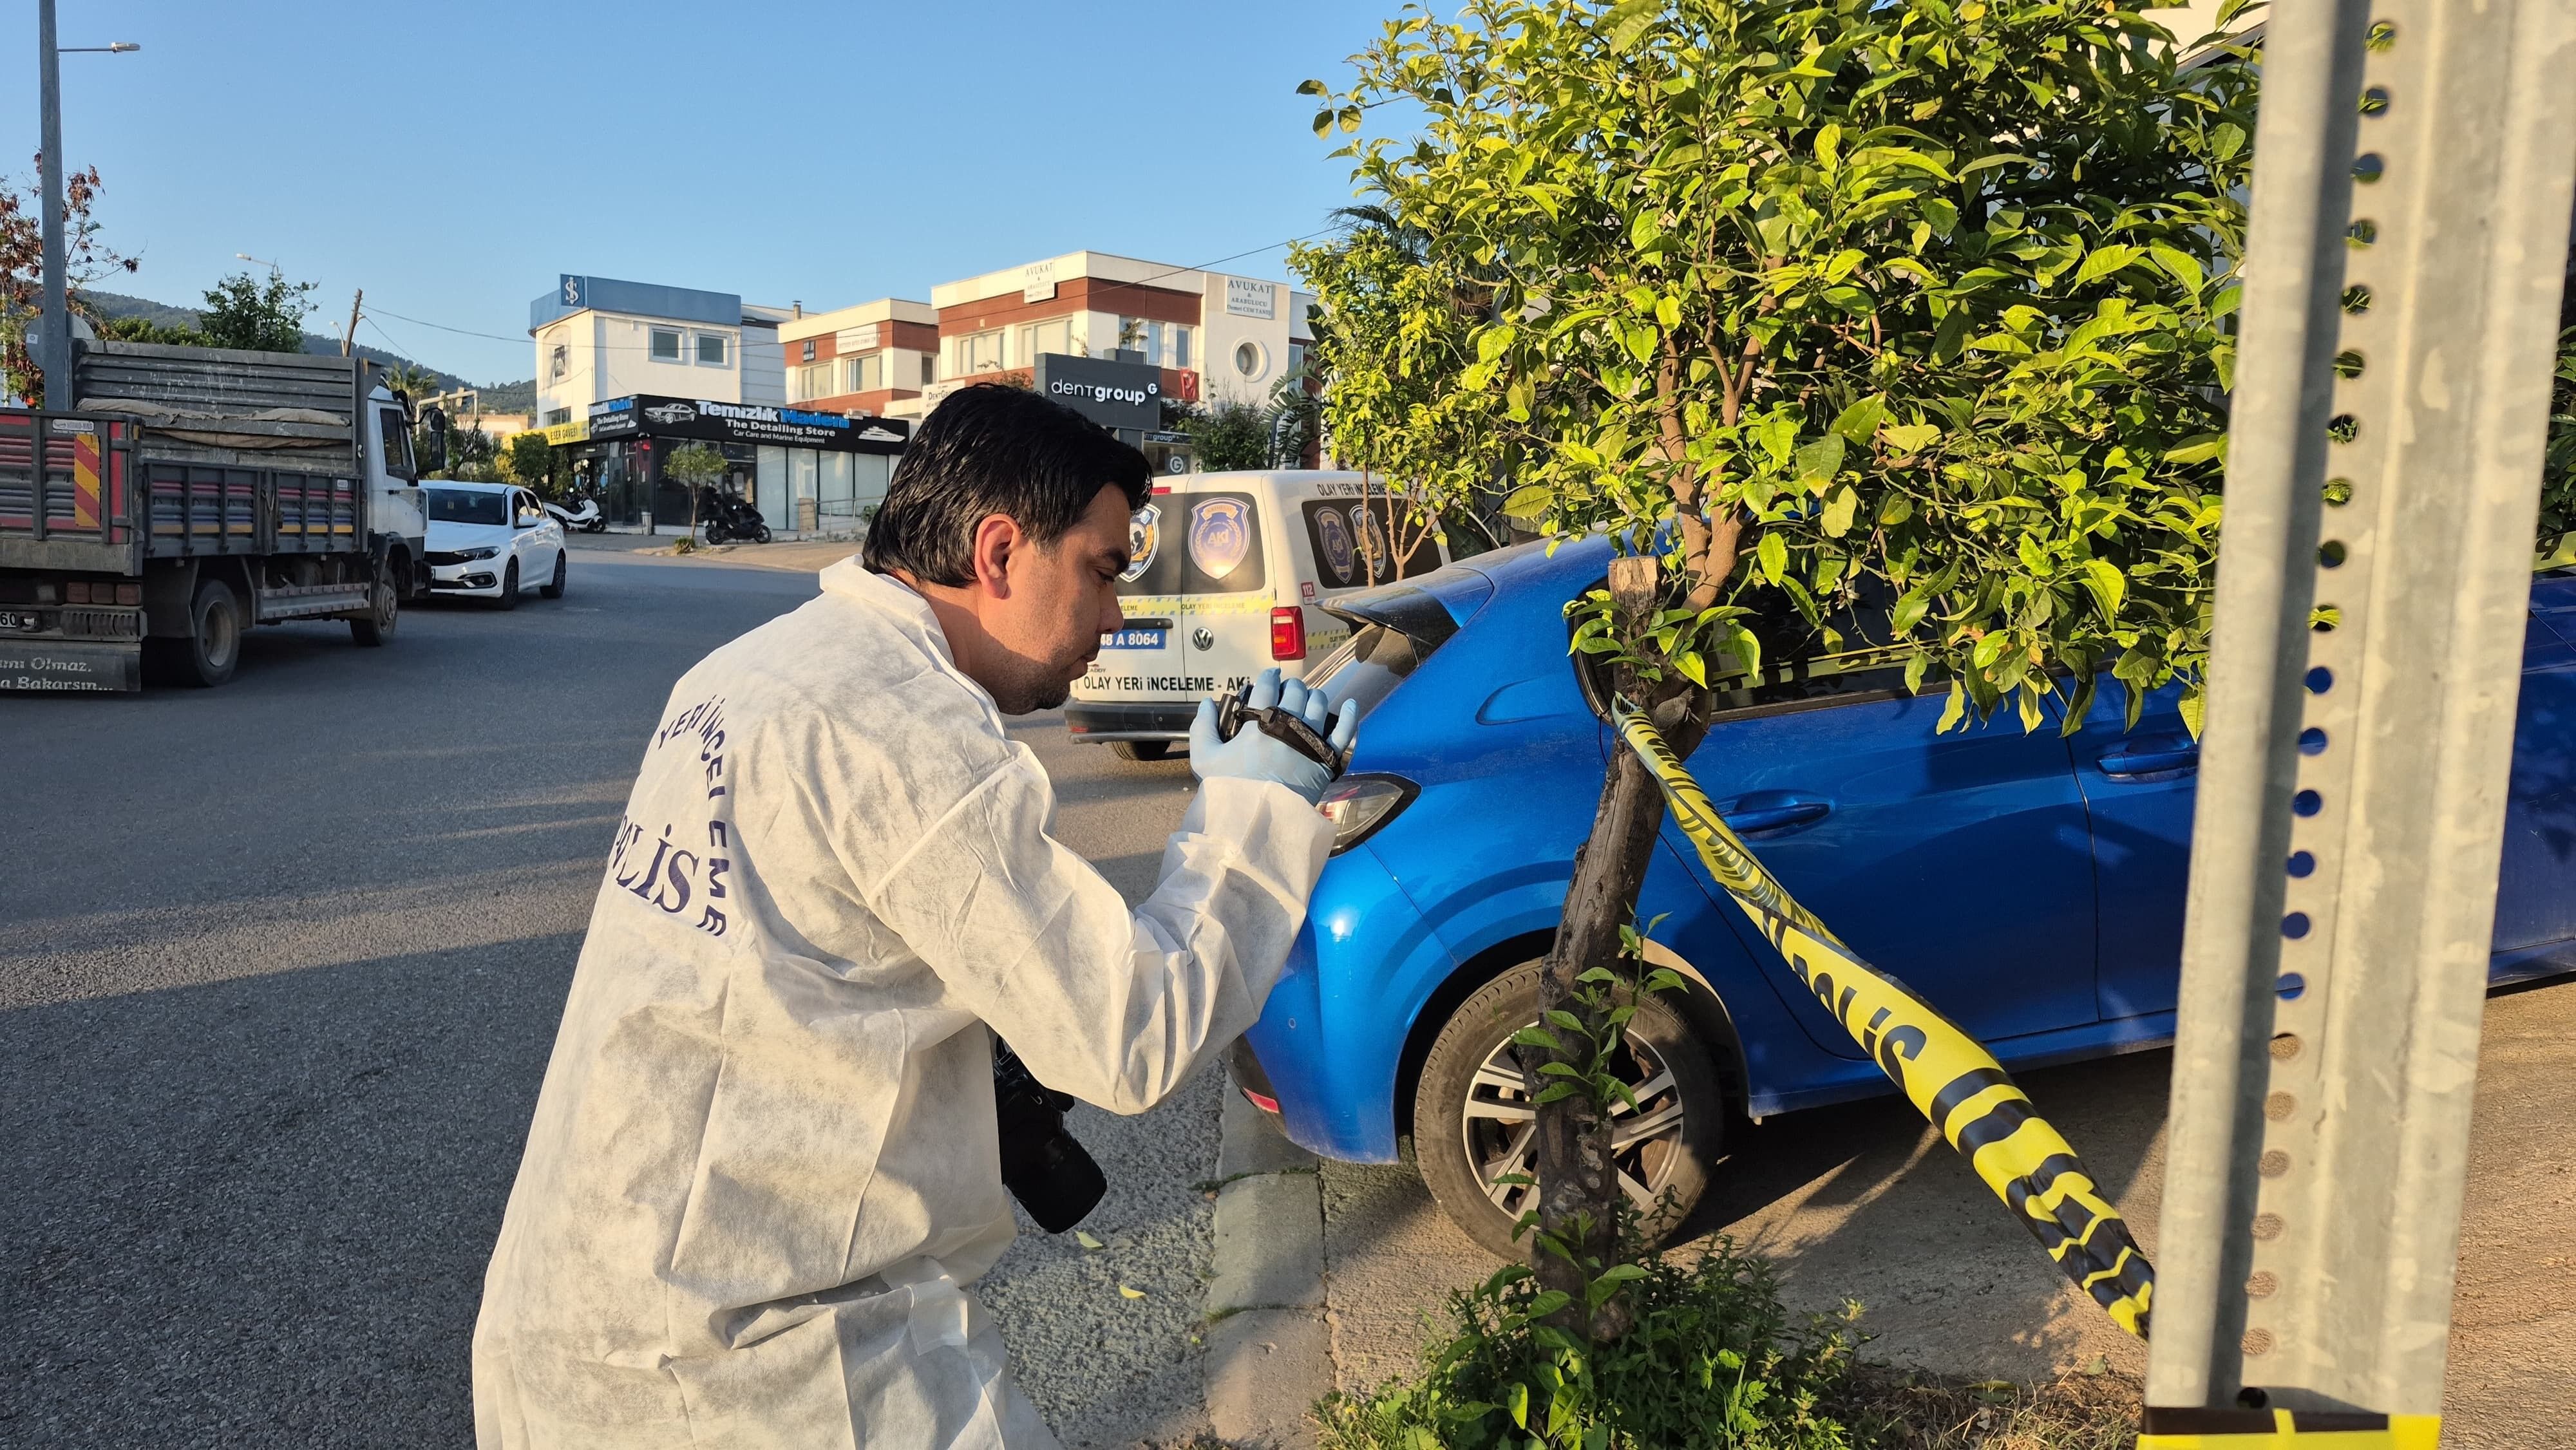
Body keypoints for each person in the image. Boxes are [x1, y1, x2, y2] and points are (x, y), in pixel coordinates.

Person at [473, 384, 1352, 1448]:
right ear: (997, 553)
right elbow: (1131, 1030)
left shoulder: (750, 670)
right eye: (1103, 571)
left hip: (581, 1315)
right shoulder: (913, 734)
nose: (1115, 618)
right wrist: (1251, 819)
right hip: (762, 1373)